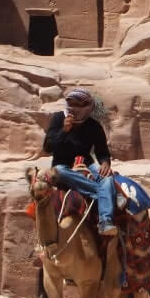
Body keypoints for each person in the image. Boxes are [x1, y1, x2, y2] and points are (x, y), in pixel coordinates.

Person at [43, 88, 118, 237]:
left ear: (87, 108)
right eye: (71, 104)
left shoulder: (94, 126)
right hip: (62, 165)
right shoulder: (59, 119)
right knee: (59, 171)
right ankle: (104, 193)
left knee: (108, 178)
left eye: (78, 105)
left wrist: (105, 163)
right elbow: (47, 147)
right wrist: (64, 130)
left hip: (86, 164)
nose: (74, 108)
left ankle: (105, 222)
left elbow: (102, 152)